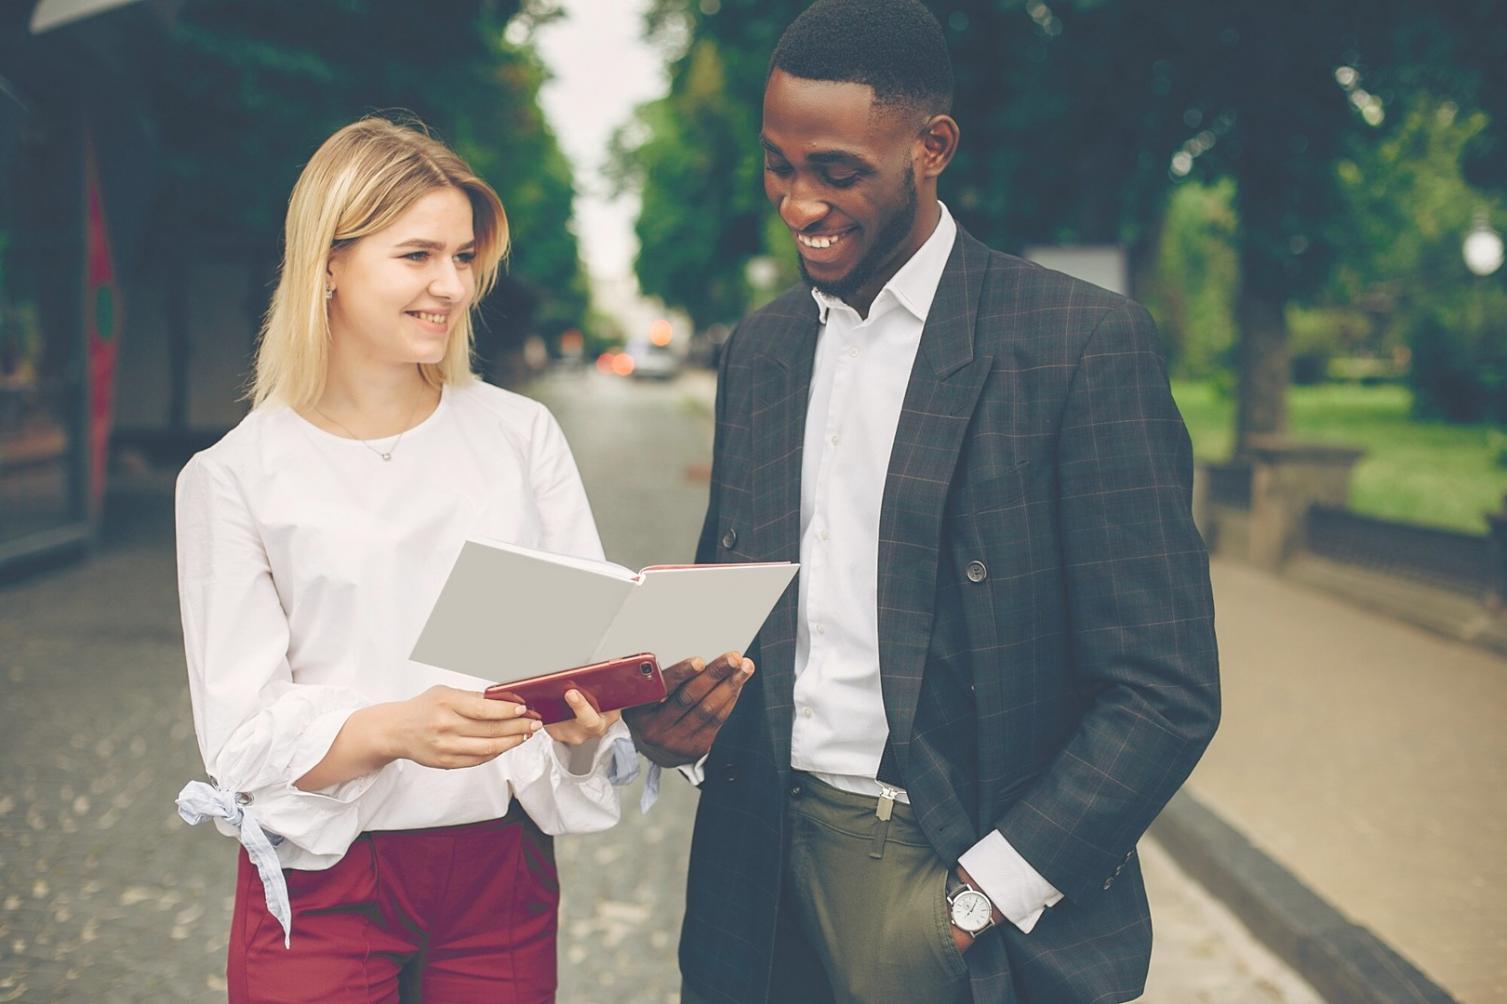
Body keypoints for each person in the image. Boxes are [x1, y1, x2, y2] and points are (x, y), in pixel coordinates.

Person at [624, 2, 1221, 1001]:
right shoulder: (761, 349)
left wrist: (986, 890)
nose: (796, 203)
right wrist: (667, 721)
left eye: (836, 171)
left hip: (944, 885)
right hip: (753, 874)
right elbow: (728, 617)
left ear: (931, 146)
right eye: (777, 163)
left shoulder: (1077, 344)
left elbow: (1163, 687)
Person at [173, 116, 639, 1002]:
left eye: (463, 257)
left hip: (500, 872)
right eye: (417, 255)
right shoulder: (232, 476)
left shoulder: (519, 435)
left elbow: (582, 654)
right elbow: (241, 734)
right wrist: (395, 729)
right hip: (323, 881)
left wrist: (589, 725)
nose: (451, 285)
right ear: (329, 265)